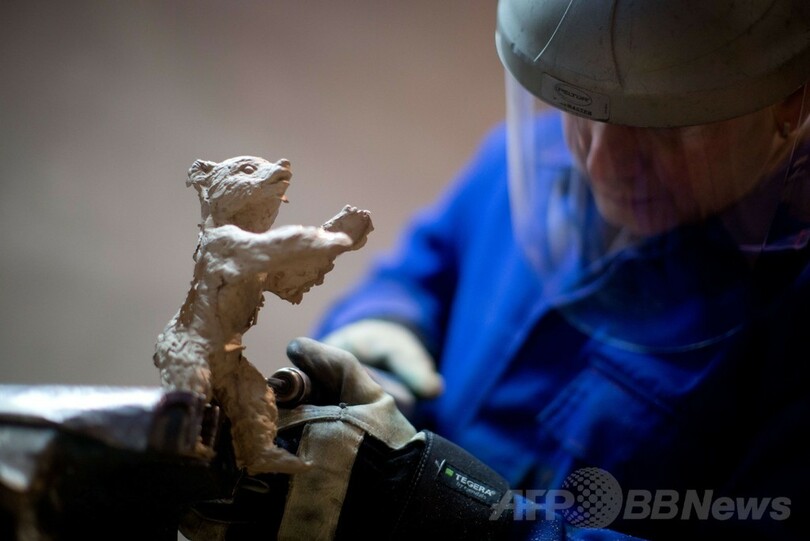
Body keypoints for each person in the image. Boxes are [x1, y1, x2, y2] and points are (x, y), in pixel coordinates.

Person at [182, 1, 810, 539]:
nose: (602, 164)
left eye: (666, 128)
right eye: (583, 108)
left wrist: (456, 516)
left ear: (789, 101)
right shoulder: (525, 162)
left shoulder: (790, 338)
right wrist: (387, 326)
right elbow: (426, 264)